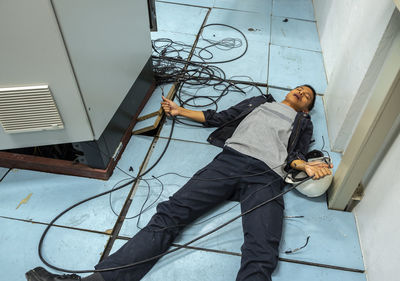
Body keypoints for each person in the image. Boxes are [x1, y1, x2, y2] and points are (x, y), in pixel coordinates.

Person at [26, 85, 332, 281]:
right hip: (231, 161)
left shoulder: (303, 121)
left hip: (267, 177)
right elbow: (219, 116)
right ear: (288, 92)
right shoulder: (259, 102)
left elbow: (296, 154)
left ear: (306, 108)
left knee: (263, 245)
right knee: (170, 216)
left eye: (307, 96)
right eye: (300, 89)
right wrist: (179, 110)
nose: (302, 92)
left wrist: (304, 164)